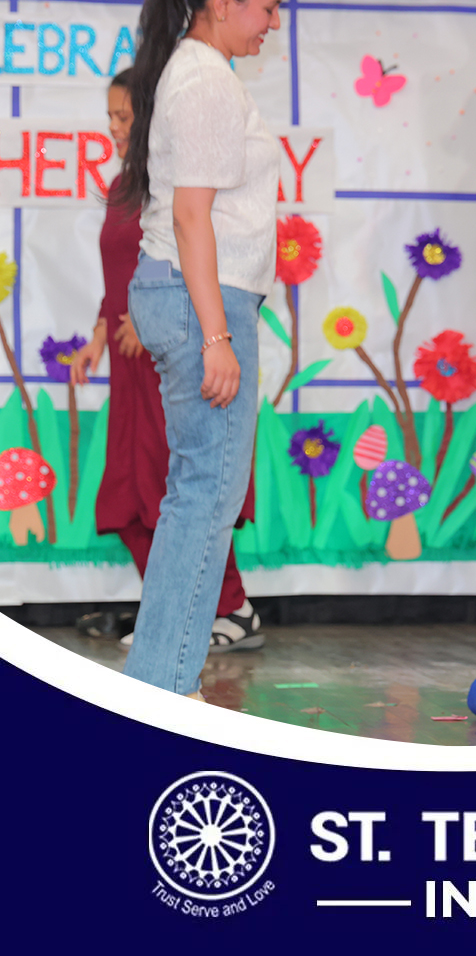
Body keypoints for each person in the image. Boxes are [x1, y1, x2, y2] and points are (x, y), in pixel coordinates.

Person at [118, 0, 285, 698]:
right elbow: (192, 217)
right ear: (222, 3)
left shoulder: (194, 72)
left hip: (186, 296)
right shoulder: (207, 80)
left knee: (197, 496)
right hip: (198, 301)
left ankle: (156, 683)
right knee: (204, 500)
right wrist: (217, 335)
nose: (273, 23)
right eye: (267, 7)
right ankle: (160, 692)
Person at [71, 71, 263, 654]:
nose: (114, 127)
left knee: (177, 486)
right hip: (127, 365)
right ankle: (174, 608)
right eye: (110, 116)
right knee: (126, 498)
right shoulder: (123, 185)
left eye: (124, 117)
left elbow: (172, 250)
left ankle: (233, 608)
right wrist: (100, 336)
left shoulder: (170, 184)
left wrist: (146, 312)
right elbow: (118, 272)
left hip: (164, 355)